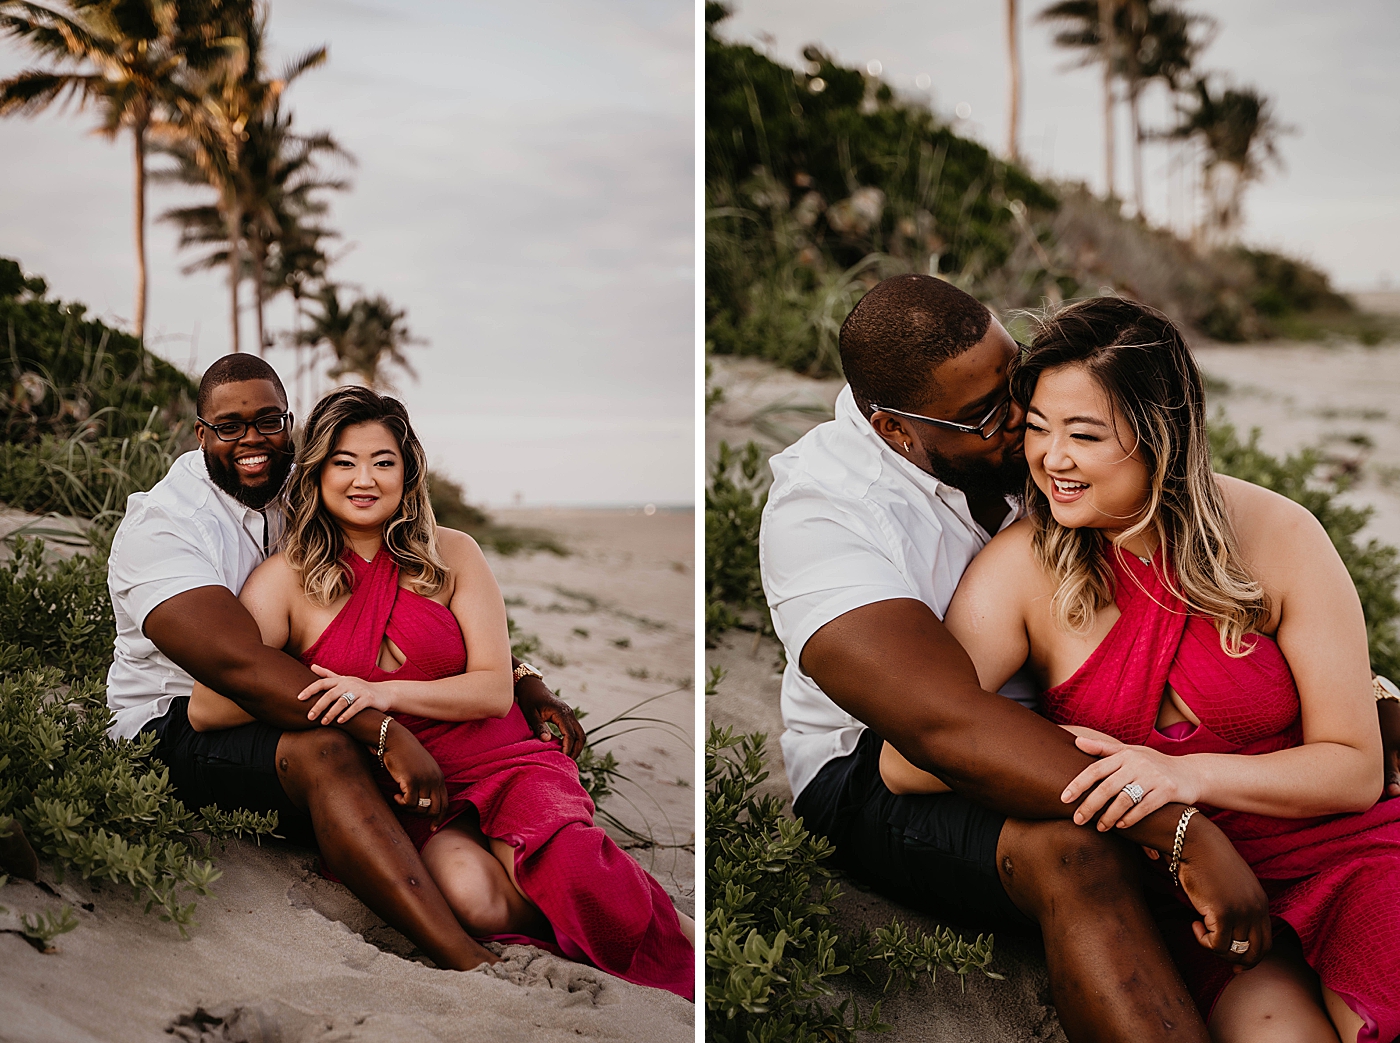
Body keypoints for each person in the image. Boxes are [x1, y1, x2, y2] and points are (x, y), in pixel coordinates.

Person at [759, 274, 1400, 1043]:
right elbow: (930, 733)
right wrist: (1175, 820)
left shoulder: (1267, 530)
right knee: (1079, 858)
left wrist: (1200, 768)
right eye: (1006, 420)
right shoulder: (831, 512)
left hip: (1328, 844)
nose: (1028, 442)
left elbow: (1349, 759)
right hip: (883, 766)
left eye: (1022, 395)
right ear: (899, 431)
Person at [186, 384, 694, 998]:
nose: (363, 479)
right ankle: (585, 911)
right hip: (409, 794)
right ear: (317, 471)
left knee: (574, 873)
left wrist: (378, 695)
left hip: (502, 762)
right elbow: (208, 707)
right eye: (344, 462)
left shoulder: (453, 554)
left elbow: (490, 691)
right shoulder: (284, 581)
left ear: (408, 471)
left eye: (382, 461)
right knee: (473, 900)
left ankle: (649, 930)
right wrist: (308, 690)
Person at [106, 354, 584, 975]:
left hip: (300, 695)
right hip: (174, 723)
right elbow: (237, 667)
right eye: (229, 426)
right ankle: (461, 956)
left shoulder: (296, 490)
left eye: (268, 421)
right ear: (201, 434)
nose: (251, 440)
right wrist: (384, 730)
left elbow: (407, 618)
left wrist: (523, 682)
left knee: (371, 746)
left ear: (290, 426)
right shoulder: (164, 528)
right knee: (327, 750)